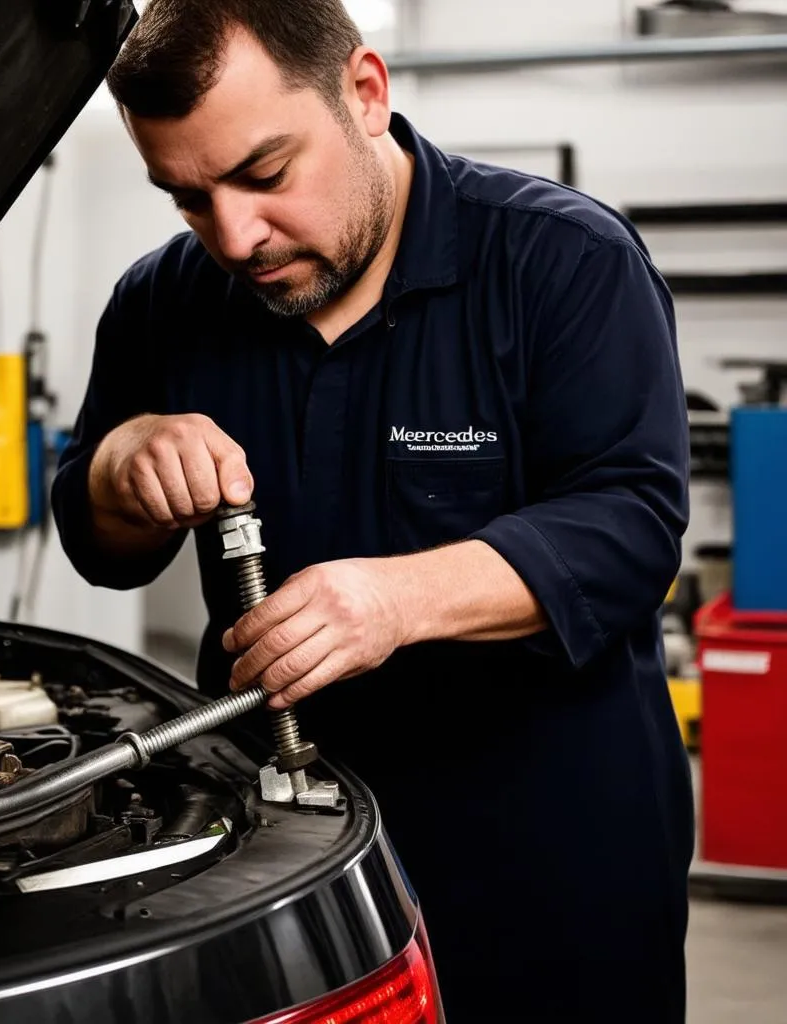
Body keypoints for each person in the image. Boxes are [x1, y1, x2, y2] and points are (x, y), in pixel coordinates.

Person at [51, 1, 695, 1020]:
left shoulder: (558, 261)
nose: (235, 236)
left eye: (265, 175)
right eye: (187, 197)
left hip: (549, 852)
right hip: (271, 855)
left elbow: (629, 524)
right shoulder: (161, 302)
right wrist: (116, 470)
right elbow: (104, 547)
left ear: (364, 92)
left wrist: (396, 600)